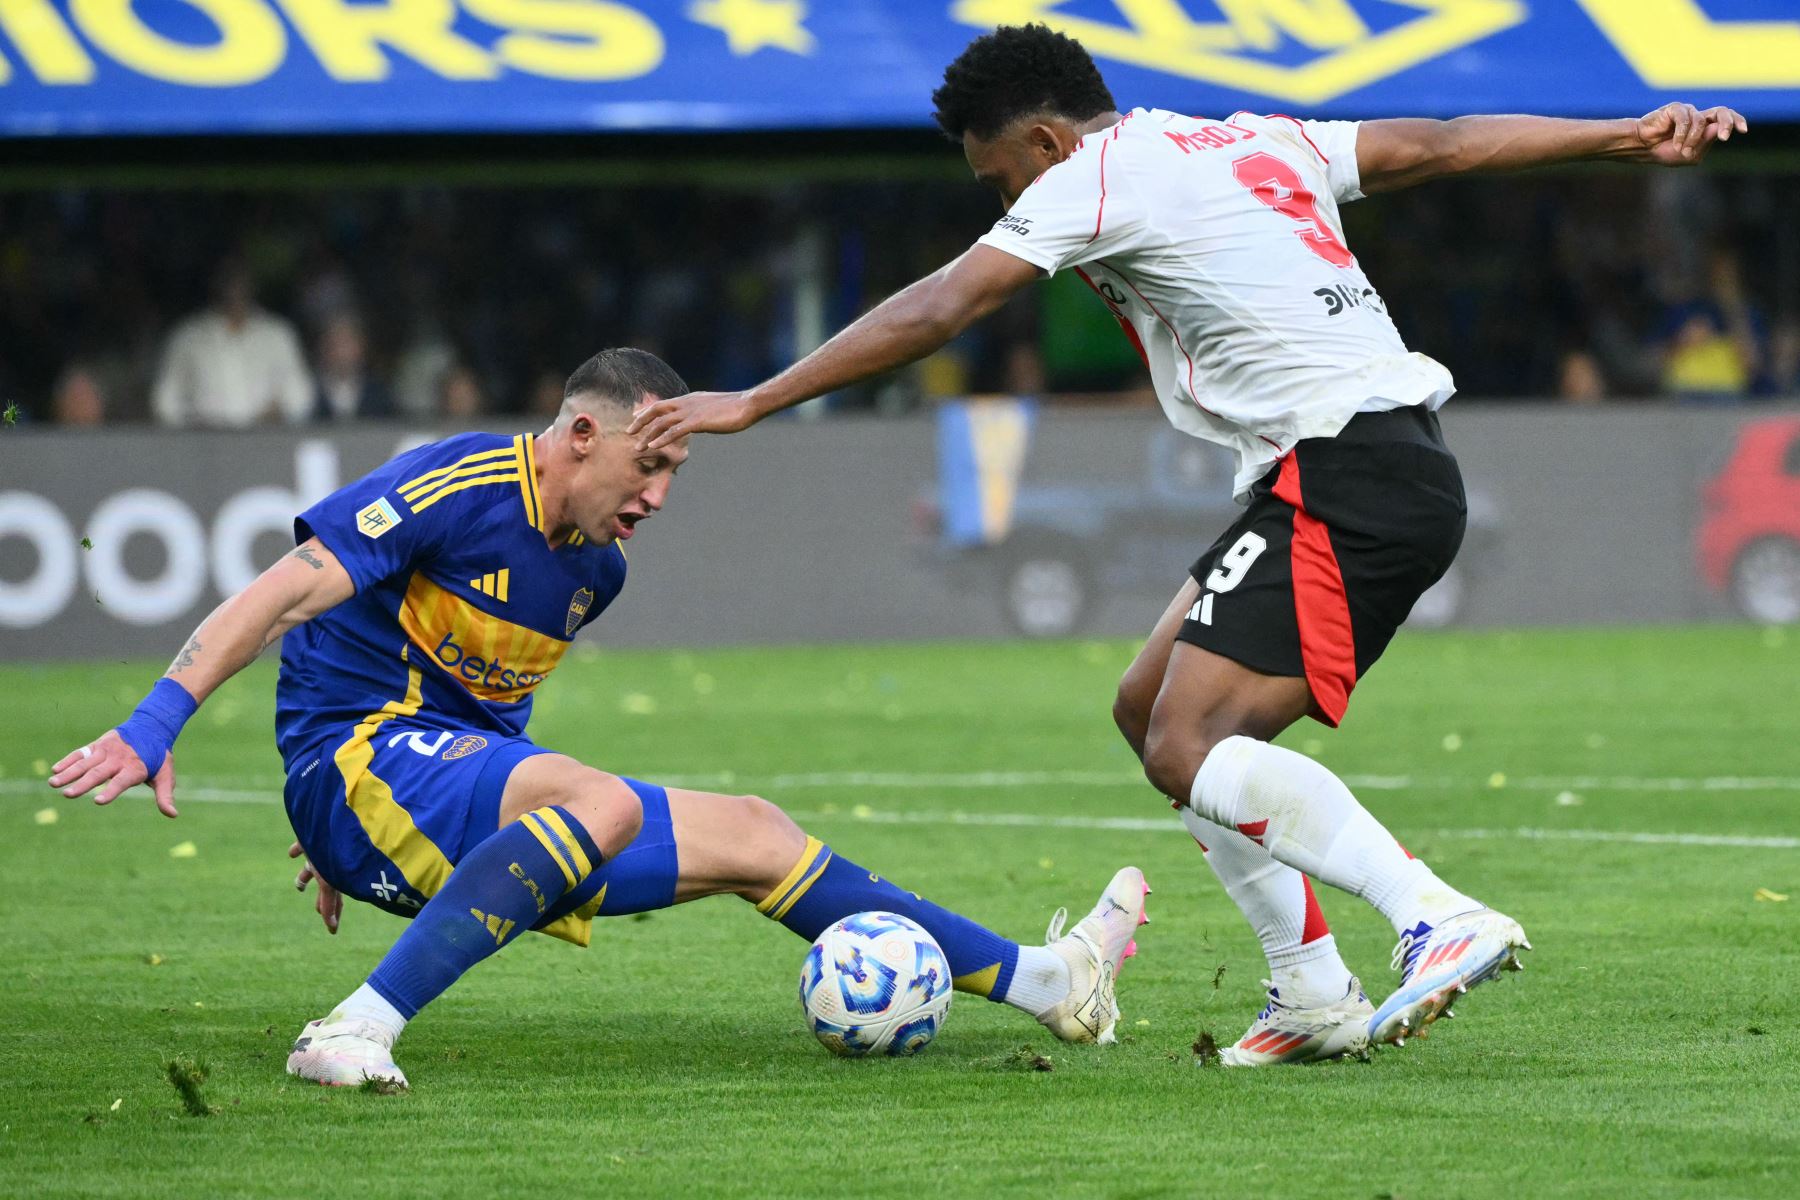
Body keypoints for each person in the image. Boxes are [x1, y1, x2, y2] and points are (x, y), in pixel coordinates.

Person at [627, 24, 1749, 1065]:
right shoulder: (1250, 134)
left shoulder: (1091, 179)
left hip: (1346, 470)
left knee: (1187, 740)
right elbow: (1441, 143)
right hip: (1347, 464)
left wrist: (756, 401)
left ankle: (1435, 916)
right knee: (1146, 703)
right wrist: (1619, 133)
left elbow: (942, 308)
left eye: (999, 177)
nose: (1006, 202)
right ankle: (1310, 986)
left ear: (1047, 141)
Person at [48, 348, 1146, 1090]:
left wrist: (417, 832)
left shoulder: (594, 571)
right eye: (650, 462)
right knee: (600, 800)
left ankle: (1055, 986)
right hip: (352, 764)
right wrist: (157, 724)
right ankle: (351, 1031)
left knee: (758, 833)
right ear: (581, 433)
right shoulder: (450, 485)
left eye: (674, 472)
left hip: (429, 786)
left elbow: (491, 726)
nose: (659, 496)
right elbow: (283, 594)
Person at [152, 260, 313, 428]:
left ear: (252, 285)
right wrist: (193, 422)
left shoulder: (278, 334)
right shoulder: (188, 337)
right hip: (204, 445)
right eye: (228, 280)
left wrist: (279, 411)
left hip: (266, 442)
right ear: (214, 284)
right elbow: (164, 403)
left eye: (240, 280)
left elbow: (301, 397)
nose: (234, 288)